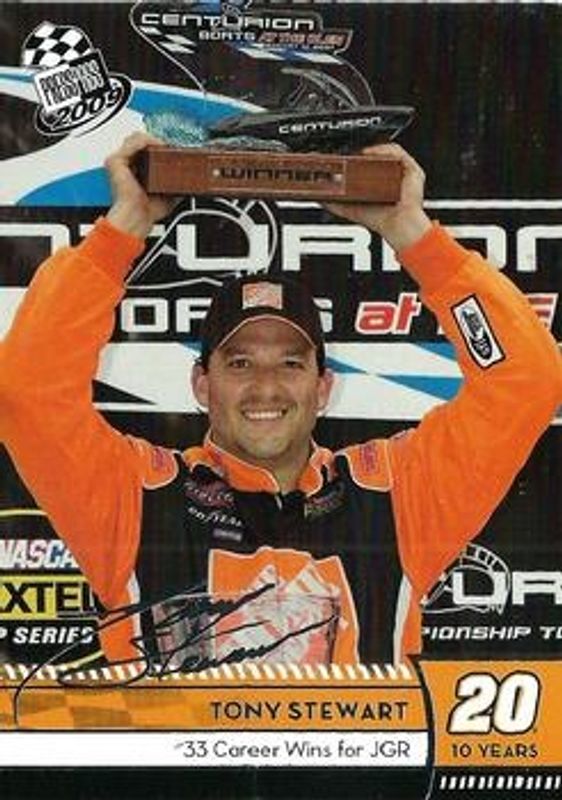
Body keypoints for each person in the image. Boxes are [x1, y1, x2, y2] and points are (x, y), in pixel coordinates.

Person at [0, 132, 560, 668]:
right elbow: (27, 389)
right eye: (240, 363)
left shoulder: (400, 498)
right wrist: (125, 226)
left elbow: (525, 381)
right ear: (201, 384)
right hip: (176, 746)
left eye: (290, 363)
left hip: (358, 744)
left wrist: (412, 233)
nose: (265, 387)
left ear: (324, 387)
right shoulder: (130, 499)